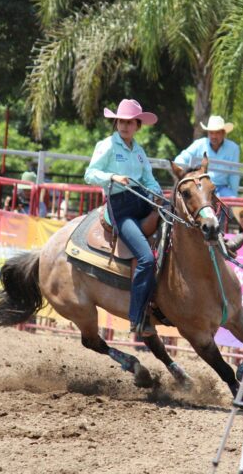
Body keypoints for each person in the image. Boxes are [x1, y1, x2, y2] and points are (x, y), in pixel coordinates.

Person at [84, 99, 162, 336]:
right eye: (121, 121)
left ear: (138, 125)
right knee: (146, 258)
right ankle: (136, 317)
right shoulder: (107, 145)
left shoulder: (139, 151)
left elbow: (149, 180)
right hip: (120, 208)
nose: (124, 126)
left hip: (142, 201)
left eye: (129, 122)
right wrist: (112, 178)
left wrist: (157, 194)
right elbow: (90, 174)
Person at [174, 115, 240, 197]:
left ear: (224, 133)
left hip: (222, 188)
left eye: (217, 132)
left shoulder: (233, 148)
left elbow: (234, 175)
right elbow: (181, 158)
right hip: (200, 186)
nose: (214, 136)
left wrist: (234, 194)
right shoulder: (199, 144)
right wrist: (186, 174)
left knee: (233, 201)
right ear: (208, 133)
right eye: (211, 132)